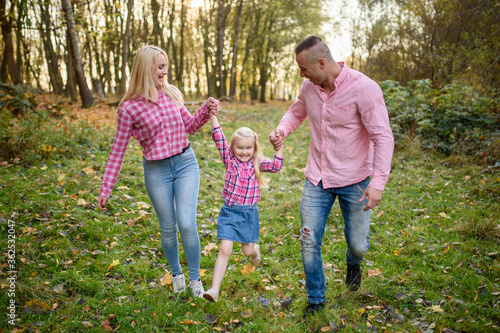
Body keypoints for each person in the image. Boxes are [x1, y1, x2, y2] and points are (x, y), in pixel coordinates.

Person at [269, 36, 394, 316]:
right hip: (317, 178)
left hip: (356, 181)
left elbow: (383, 138)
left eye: (304, 68)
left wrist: (378, 184)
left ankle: (353, 263)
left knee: (358, 245)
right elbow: (296, 111)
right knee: (308, 240)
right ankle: (316, 300)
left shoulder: (365, 89)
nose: (301, 74)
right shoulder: (309, 87)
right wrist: (281, 131)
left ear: (321, 62)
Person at [97, 45, 221, 298]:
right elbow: (118, 150)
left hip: (186, 162)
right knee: (168, 227)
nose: (165, 72)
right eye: (160, 67)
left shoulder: (172, 93)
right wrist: (105, 189)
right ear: (146, 68)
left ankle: (196, 279)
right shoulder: (129, 108)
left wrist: (205, 110)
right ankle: (177, 275)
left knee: (187, 223)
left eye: (166, 66)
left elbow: (189, 126)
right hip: (157, 171)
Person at [202, 112, 284, 302]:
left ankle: (256, 251)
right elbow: (217, 135)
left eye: (248, 148)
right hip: (229, 213)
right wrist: (213, 114)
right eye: (240, 147)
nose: (244, 151)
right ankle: (214, 289)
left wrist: (278, 147)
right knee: (225, 250)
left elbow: (276, 166)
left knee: (247, 251)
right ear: (232, 147)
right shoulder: (229, 160)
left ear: (254, 148)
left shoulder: (257, 163)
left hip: (249, 214)